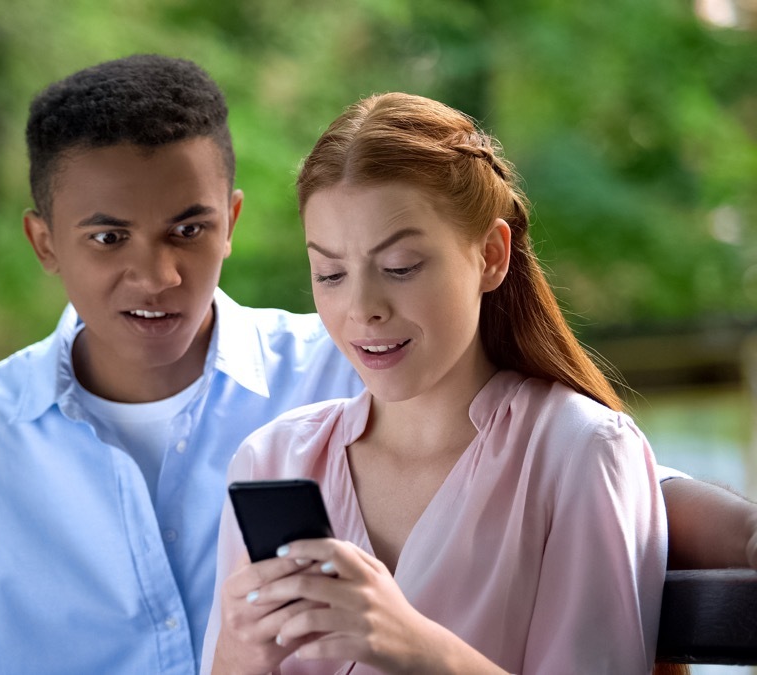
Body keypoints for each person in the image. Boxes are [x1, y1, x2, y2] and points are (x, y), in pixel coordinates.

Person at [0, 55, 757, 674]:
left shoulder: (353, 367)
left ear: (233, 222)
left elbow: (552, 462)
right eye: (106, 236)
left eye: (189, 228)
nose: (157, 271)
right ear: (46, 245)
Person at [203, 92, 665, 674]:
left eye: (400, 267)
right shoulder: (274, 459)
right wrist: (236, 659)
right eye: (331, 273)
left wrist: (416, 649)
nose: (362, 308)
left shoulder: (579, 453)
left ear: (492, 256)